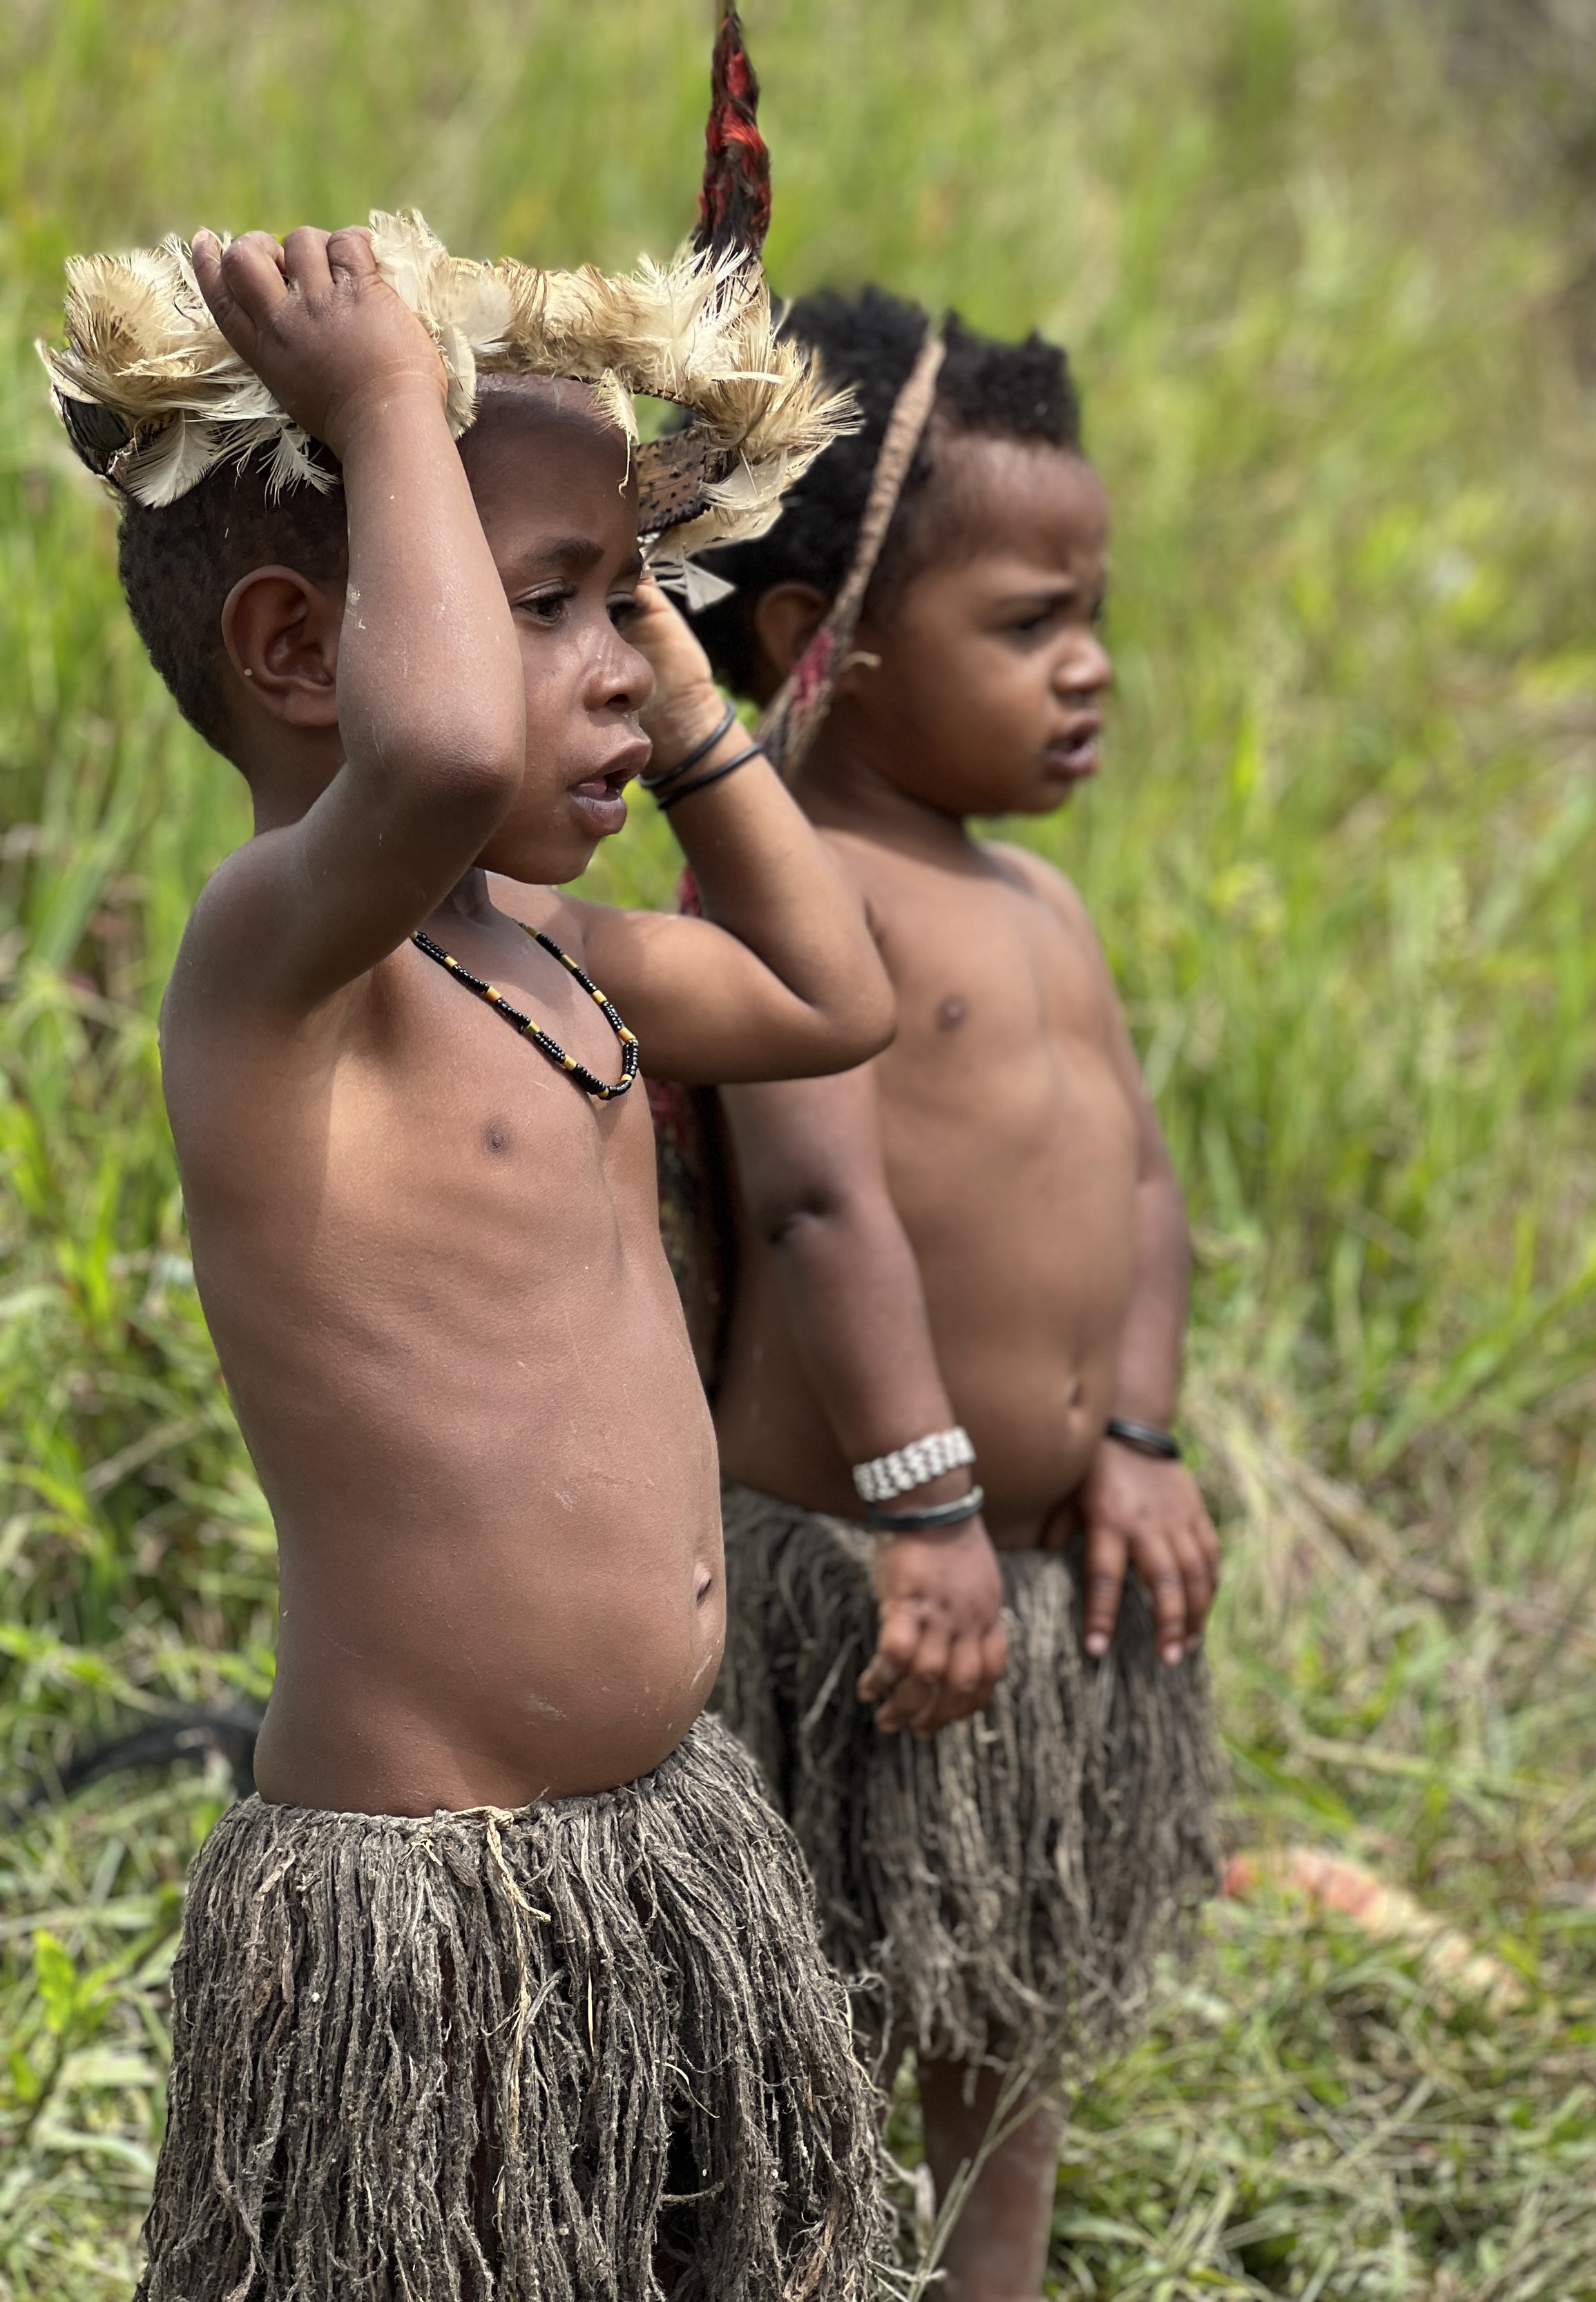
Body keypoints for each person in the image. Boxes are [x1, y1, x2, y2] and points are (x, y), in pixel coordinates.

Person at [44, 215, 894, 2301]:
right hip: (429, 1908)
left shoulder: (561, 964)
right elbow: (431, 758)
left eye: (639, 599)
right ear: (300, 653)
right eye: (555, 604)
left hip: (658, 1837)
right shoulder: (274, 972)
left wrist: (685, 713)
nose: (624, 646)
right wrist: (374, 408)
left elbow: (829, 993)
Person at [680, 286, 1225, 2302]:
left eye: (1093, 617)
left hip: (1031, 1576)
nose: (1087, 672)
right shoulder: (791, 893)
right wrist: (920, 1509)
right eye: (1027, 625)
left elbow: (1146, 1193)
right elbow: (824, 1219)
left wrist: (1139, 1438)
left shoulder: (1041, 900)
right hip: (866, 1588)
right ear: (812, 637)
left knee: (1001, 2012)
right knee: (808, 2009)